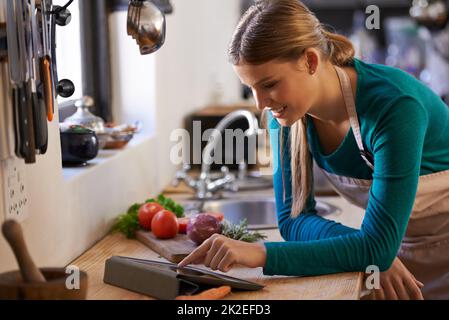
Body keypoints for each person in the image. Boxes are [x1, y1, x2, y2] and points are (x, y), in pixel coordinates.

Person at [178, 0, 449, 300]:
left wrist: (260, 253)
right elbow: (292, 220)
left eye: (269, 84)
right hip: (398, 248)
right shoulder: (285, 116)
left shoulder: (394, 108)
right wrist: (369, 248)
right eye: (251, 88)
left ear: (310, 61)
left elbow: (376, 248)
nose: (260, 104)